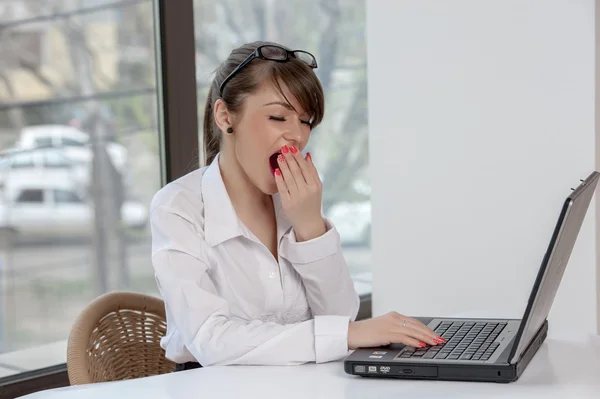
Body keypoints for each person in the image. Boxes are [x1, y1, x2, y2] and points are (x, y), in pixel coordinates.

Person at [150, 41, 445, 370]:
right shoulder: (178, 208)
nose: (298, 136)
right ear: (225, 116)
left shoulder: (294, 201)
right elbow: (211, 339)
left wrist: (310, 228)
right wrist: (346, 335)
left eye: (305, 122)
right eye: (278, 117)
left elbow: (339, 318)